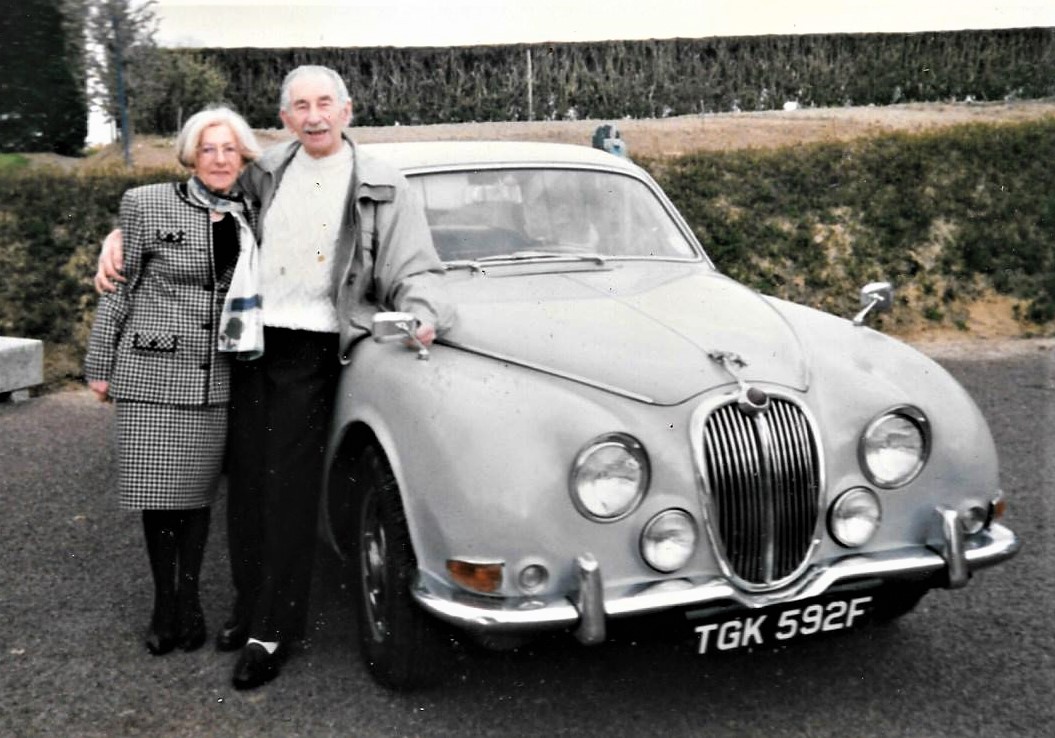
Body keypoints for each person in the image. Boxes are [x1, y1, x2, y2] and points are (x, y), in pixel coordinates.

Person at [95, 65, 451, 690]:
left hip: (313, 349)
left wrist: (421, 311)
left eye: (324, 104)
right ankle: (246, 602)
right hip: (250, 343)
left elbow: (417, 269)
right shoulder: (269, 172)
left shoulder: (381, 184)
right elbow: (198, 199)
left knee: (288, 491)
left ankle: (274, 629)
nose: (313, 116)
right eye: (299, 106)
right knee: (248, 485)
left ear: (347, 111)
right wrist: (122, 234)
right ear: (283, 119)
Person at [84, 106, 262, 657]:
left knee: (196, 499)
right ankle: (167, 607)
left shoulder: (255, 210)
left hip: (217, 378)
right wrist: (98, 363)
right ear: (190, 154)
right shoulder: (146, 203)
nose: (219, 159)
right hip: (152, 374)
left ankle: (191, 600)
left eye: (229, 149)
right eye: (208, 149)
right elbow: (121, 285)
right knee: (159, 499)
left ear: (244, 156)